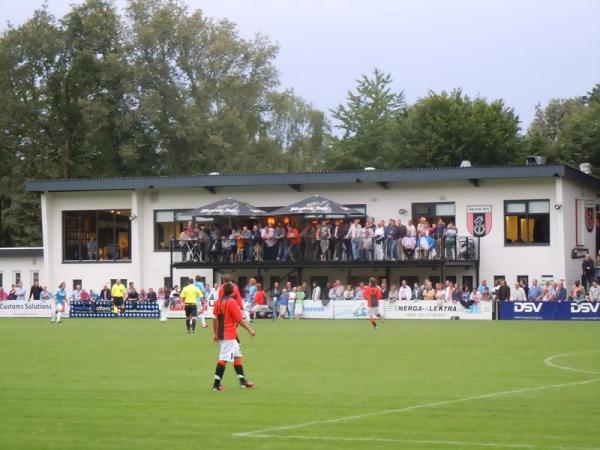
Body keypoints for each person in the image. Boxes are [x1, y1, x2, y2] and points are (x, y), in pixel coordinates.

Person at [211, 282, 256, 391]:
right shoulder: (232, 302)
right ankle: (216, 385)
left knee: (237, 356)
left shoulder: (218, 302)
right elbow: (239, 320)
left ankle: (243, 382)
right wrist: (250, 329)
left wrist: (216, 333)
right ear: (233, 291)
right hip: (229, 335)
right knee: (223, 359)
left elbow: (214, 319)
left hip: (225, 335)